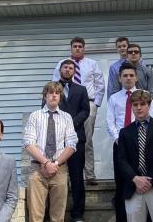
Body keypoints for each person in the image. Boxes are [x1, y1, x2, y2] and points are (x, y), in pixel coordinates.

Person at [107, 63, 153, 222]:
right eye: (125, 76)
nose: (128, 78)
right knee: (122, 183)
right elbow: (110, 122)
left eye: (131, 75)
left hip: (143, 146)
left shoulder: (145, 96)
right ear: (120, 78)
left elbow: (152, 118)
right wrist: (119, 140)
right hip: (120, 146)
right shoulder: (114, 98)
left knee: (144, 181)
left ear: (136, 77)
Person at [53, 37, 105, 186]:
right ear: (71, 48)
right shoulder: (62, 64)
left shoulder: (92, 64)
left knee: (86, 140)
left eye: (80, 46)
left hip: (87, 105)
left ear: (84, 48)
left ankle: (89, 174)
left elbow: (100, 84)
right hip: (65, 105)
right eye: (75, 46)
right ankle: (66, 175)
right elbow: (55, 85)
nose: (77, 48)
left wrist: (96, 104)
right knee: (63, 141)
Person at [23, 81, 78, 222]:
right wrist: (46, 162)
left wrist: (55, 163)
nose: (54, 95)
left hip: (59, 169)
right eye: (51, 92)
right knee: (35, 216)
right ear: (45, 95)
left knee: (58, 216)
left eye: (57, 93)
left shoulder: (67, 117)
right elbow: (29, 143)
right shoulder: (35, 116)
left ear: (60, 96)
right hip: (37, 169)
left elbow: (71, 144)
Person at [118, 90, 153, 222]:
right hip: (134, 187)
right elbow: (121, 159)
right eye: (135, 104)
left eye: (142, 104)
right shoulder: (125, 132)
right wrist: (136, 179)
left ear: (149, 105)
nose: (138, 108)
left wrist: (148, 179)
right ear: (131, 106)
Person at [58, 59, 90, 222]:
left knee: (77, 177)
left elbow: (86, 111)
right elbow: (45, 107)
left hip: (77, 138)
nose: (68, 70)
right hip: (56, 139)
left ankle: (78, 214)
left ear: (74, 72)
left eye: (71, 68)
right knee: (57, 177)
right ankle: (57, 213)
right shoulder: (52, 88)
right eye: (65, 67)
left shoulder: (81, 90)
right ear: (60, 70)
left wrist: (71, 123)